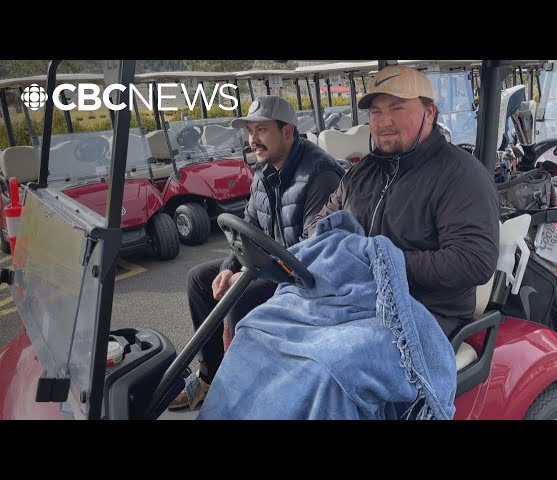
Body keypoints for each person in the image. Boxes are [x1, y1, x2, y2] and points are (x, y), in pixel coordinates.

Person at [170, 95, 344, 410]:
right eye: (250, 132)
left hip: (307, 278)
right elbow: (248, 225)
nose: (253, 140)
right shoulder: (263, 171)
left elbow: (313, 251)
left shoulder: (319, 174)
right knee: (199, 279)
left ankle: (244, 397)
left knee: (242, 298)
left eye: (262, 130)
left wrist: (251, 272)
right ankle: (211, 377)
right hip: (271, 267)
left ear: (288, 132)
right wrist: (228, 266)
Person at [303, 65, 500, 338]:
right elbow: (317, 225)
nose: (384, 122)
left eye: (396, 108)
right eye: (376, 112)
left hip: (425, 312)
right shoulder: (361, 172)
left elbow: (473, 261)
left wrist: (381, 262)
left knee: (324, 364)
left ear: (429, 113)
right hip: (355, 300)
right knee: (266, 329)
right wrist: (340, 250)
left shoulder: (461, 175)